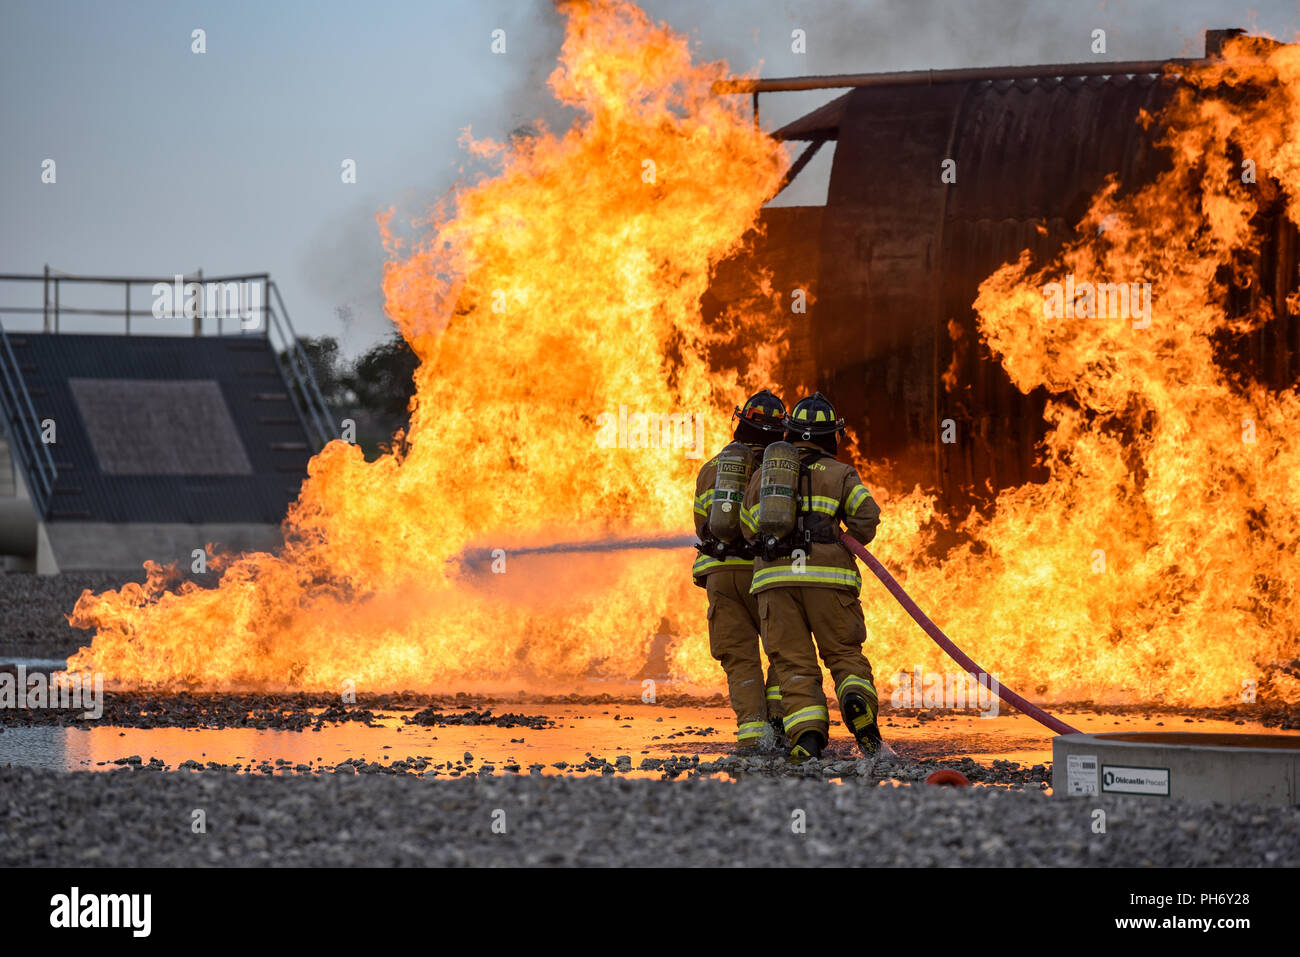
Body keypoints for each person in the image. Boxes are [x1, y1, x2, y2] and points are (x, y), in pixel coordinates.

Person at [740, 392, 883, 761]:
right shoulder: (841, 474)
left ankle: (807, 740)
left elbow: (746, 526)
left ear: (790, 432)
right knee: (843, 653)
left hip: (775, 582)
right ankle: (855, 701)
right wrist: (836, 532)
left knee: (792, 663)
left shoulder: (765, 475)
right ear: (831, 436)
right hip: (829, 581)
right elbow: (867, 518)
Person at [692, 390, 788, 750]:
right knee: (784, 649)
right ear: (782, 431)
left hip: (721, 573)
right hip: (768, 574)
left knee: (739, 657)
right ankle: (780, 721)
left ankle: (753, 735)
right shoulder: (783, 471)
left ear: (740, 423)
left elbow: (704, 523)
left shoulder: (713, 468)